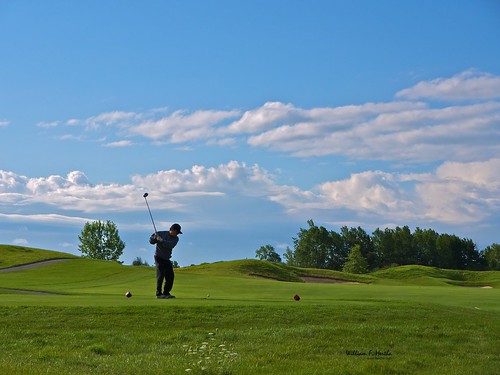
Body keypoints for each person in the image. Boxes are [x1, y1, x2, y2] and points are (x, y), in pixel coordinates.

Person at [149, 223, 182, 299]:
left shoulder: (176, 239)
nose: (177, 234)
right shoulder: (160, 233)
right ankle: (159, 294)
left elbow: (169, 245)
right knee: (161, 274)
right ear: (172, 230)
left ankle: (166, 293)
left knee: (170, 276)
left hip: (166, 258)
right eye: (177, 232)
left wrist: (162, 241)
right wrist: (154, 238)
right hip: (159, 257)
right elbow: (151, 242)